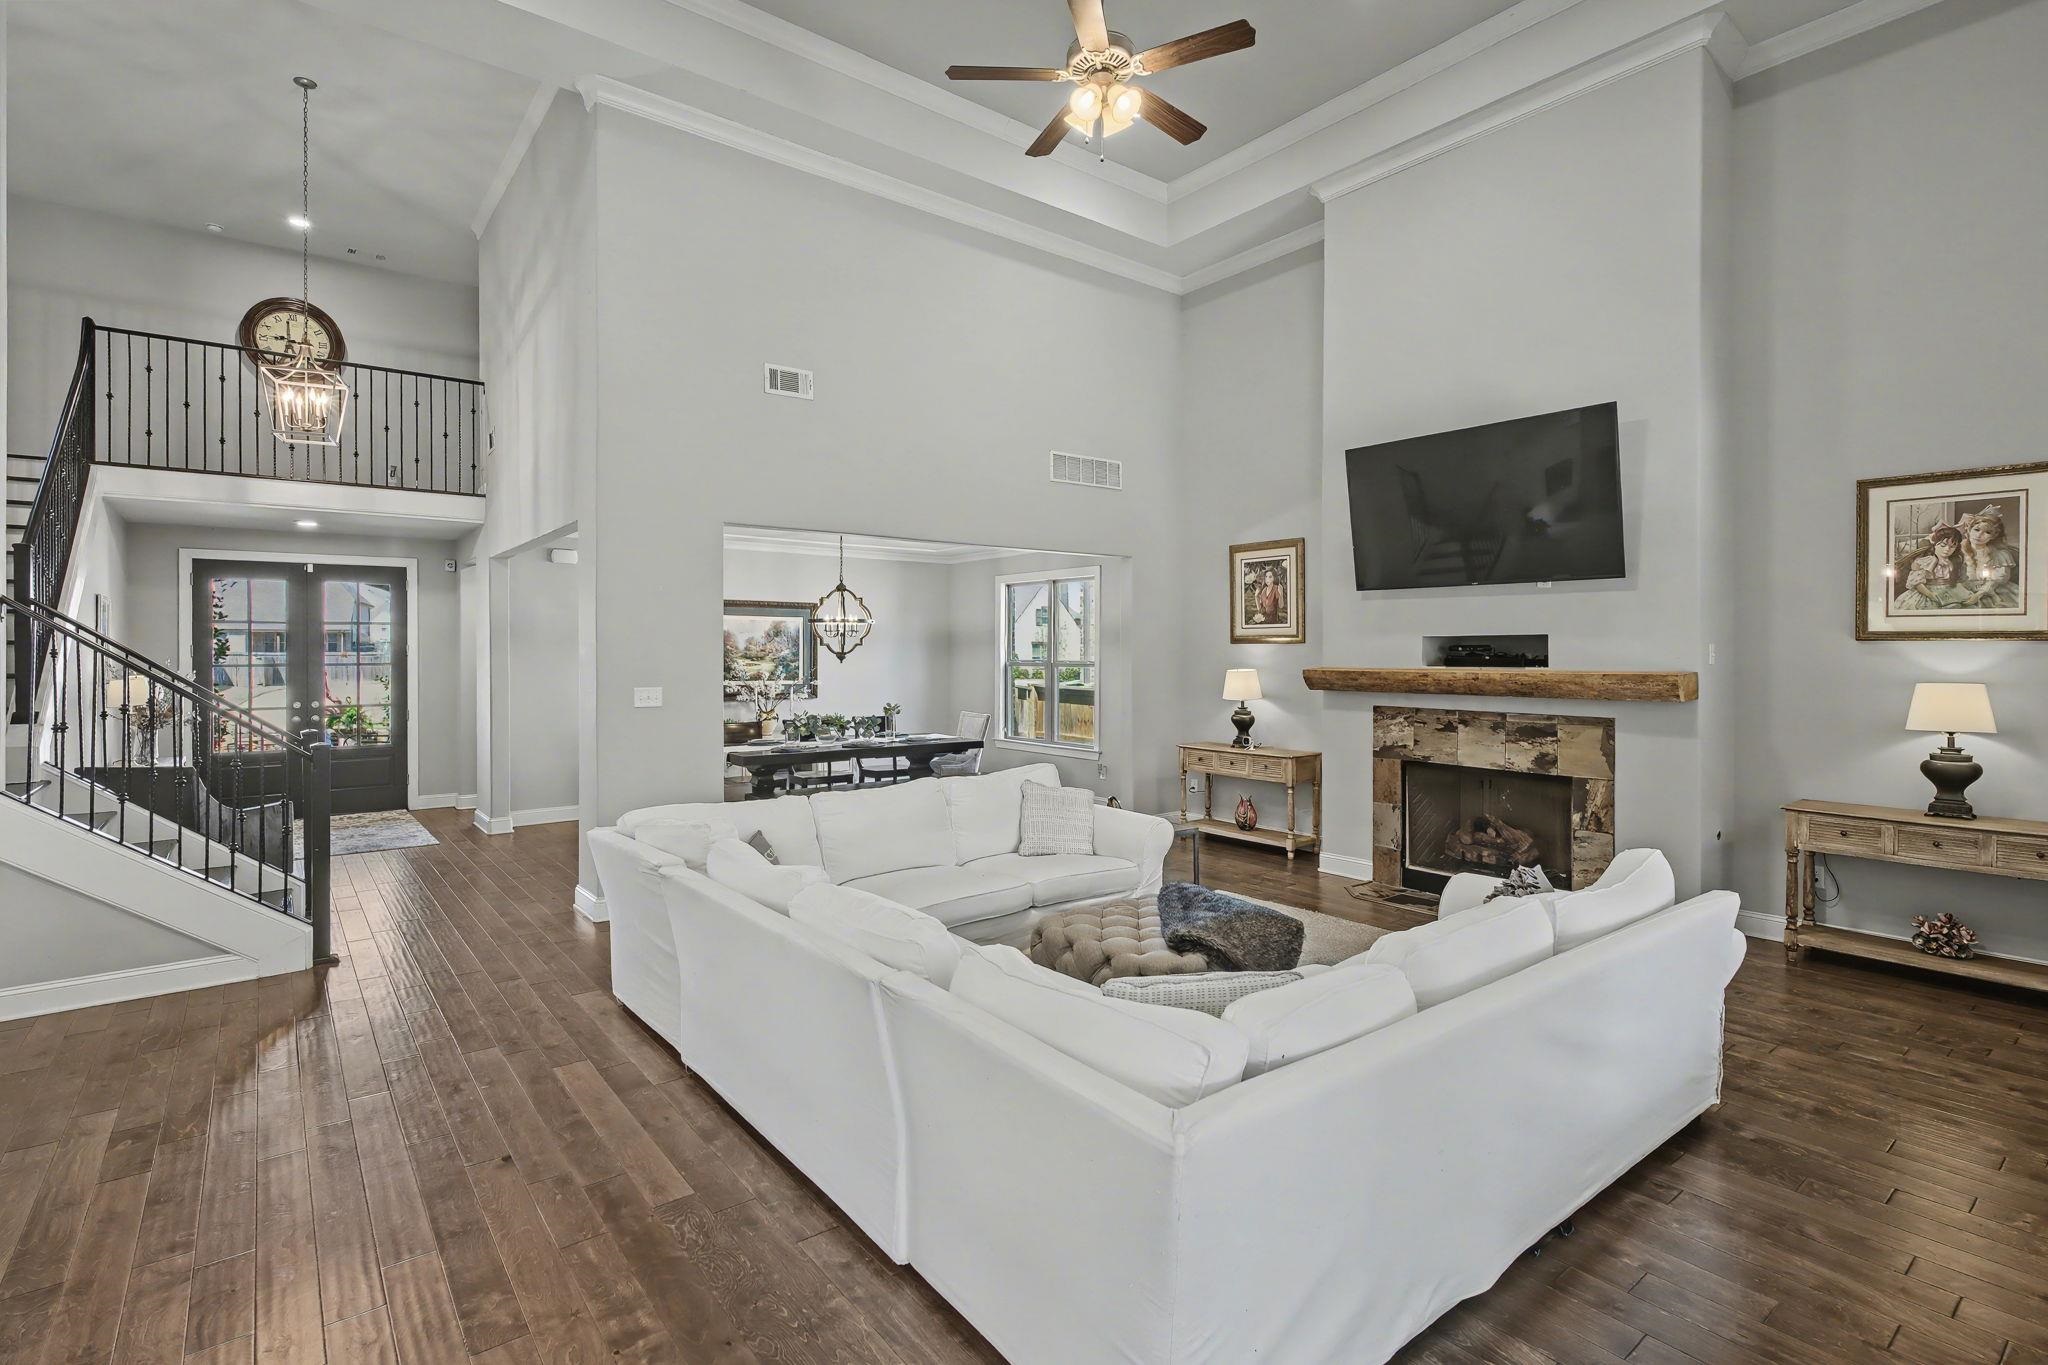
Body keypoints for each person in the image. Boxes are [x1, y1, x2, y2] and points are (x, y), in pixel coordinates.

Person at [1956, 505, 2021, 610]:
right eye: (1976, 530)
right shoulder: (1956, 551)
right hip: (1964, 590)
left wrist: (1979, 594)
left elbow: (1999, 579)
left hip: (1994, 590)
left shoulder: (2000, 554)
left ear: (1994, 535)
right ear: (1968, 530)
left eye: (1987, 532)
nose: (1980, 535)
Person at [1891, 522, 1967, 611]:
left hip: (1950, 591)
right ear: (1935, 544)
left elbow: (1960, 580)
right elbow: (1917, 583)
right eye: (1943, 545)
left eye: (1952, 546)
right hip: (1927, 592)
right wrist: (1931, 595)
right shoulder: (1925, 562)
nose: (1947, 549)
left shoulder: (1955, 561)